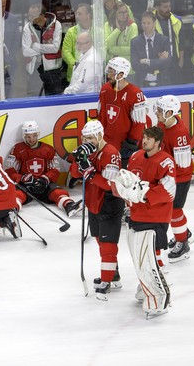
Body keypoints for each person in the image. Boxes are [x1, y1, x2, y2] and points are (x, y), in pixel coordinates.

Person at [112, 126, 175, 318]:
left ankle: (158, 299)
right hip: (136, 215)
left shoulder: (166, 161)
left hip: (155, 218)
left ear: (158, 143)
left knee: (147, 261)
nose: (144, 141)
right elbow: (128, 182)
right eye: (144, 137)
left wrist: (143, 194)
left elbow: (169, 191)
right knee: (139, 260)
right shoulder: (136, 156)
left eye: (148, 139)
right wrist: (125, 193)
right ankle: (145, 287)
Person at [68, 120, 124, 301]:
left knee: (108, 244)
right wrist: (80, 161)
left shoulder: (111, 154)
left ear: (100, 136)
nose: (87, 141)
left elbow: (110, 184)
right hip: (93, 202)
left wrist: (90, 172)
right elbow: (75, 174)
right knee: (100, 240)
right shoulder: (88, 151)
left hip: (109, 202)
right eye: (85, 138)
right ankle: (113, 274)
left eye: (91, 138)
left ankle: (106, 281)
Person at [5, 121, 82, 219]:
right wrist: (22, 178)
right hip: (25, 184)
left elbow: (55, 169)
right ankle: (11, 212)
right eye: (28, 137)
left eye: (34, 136)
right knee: (17, 194)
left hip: (44, 184)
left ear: (38, 134)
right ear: (24, 136)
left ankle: (69, 205)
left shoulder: (48, 149)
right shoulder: (17, 149)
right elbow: (9, 170)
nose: (31, 139)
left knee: (57, 191)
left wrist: (45, 179)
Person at [154, 95, 194, 262]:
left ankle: (183, 242)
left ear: (170, 112)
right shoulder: (163, 124)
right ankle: (183, 232)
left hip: (179, 178)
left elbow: (182, 166)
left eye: (160, 110)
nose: (157, 112)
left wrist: (166, 177)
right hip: (169, 176)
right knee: (171, 211)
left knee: (174, 211)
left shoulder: (179, 134)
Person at [98, 56, 147, 168]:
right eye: (108, 71)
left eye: (112, 72)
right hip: (106, 143)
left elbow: (139, 122)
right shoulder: (105, 89)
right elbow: (101, 115)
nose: (108, 75)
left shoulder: (135, 93)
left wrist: (131, 142)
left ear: (121, 75)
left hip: (124, 145)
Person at [21, 11, 63, 95]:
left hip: (53, 70)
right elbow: (25, 52)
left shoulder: (56, 24)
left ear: (42, 16)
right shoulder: (27, 27)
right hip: (35, 69)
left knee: (54, 100)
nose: (30, 18)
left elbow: (55, 48)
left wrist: (35, 46)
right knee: (34, 100)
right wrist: (47, 48)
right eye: (29, 15)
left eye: (33, 15)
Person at [130, 11, 172, 87]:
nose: (146, 26)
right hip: (142, 82)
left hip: (161, 81)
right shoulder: (135, 42)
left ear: (154, 23)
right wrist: (159, 61)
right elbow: (135, 65)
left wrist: (146, 61)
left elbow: (167, 62)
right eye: (144, 23)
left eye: (148, 23)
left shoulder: (163, 40)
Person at [153, 0, 184, 84]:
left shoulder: (176, 20)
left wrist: (180, 62)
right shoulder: (150, 21)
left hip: (174, 62)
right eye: (165, 7)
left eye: (169, 6)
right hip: (158, 64)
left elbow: (181, 43)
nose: (169, 9)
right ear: (157, 7)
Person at [62, 3, 93, 85]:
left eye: (80, 14)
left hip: (93, 73)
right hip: (75, 75)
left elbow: (102, 50)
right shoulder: (71, 31)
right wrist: (75, 65)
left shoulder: (98, 31)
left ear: (88, 15)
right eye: (76, 13)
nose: (76, 16)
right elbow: (65, 51)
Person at [105, 1, 138, 66]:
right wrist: (117, 30)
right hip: (111, 67)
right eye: (121, 12)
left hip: (127, 68)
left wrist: (111, 50)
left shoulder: (133, 26)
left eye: (125, 12)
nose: (124, 15)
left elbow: (132, 49)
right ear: (115, 14)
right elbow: (105, 45)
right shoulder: (107, 25)